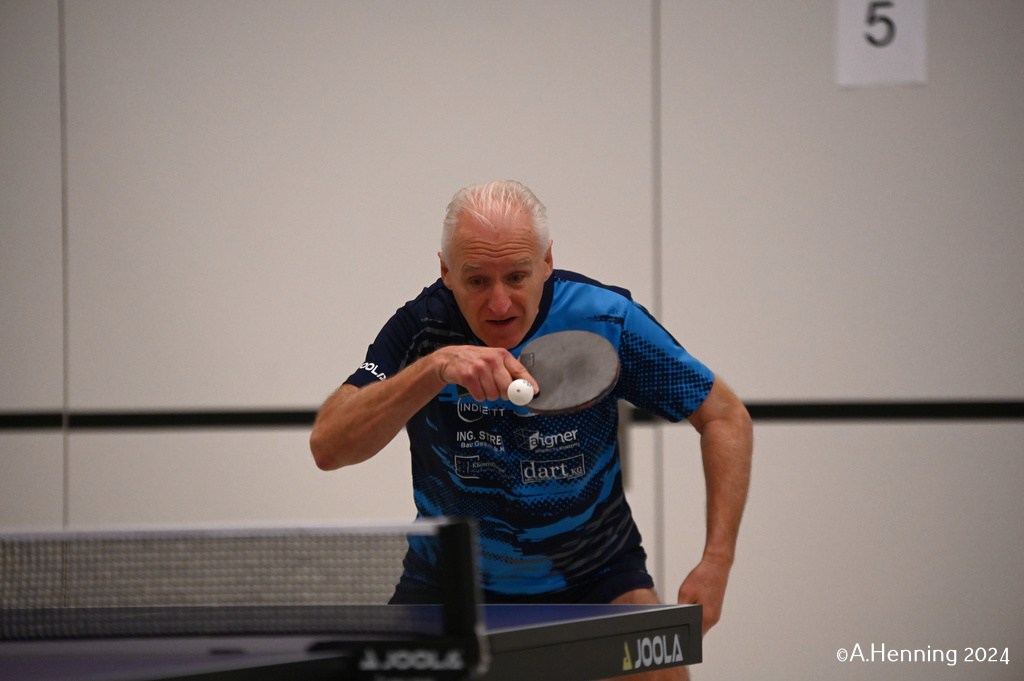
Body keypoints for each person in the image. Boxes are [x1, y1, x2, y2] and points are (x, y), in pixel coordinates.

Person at [310, 180, 752, 679]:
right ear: (446, 272)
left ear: (547, 262)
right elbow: (329, 447)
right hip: (449, 584)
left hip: (598, 575)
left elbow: (724, 415)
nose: (500, 303)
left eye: (517, 276)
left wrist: (717, 561)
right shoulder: (422, 329)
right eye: (477, 280)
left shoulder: (604, 318)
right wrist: (433, 369)